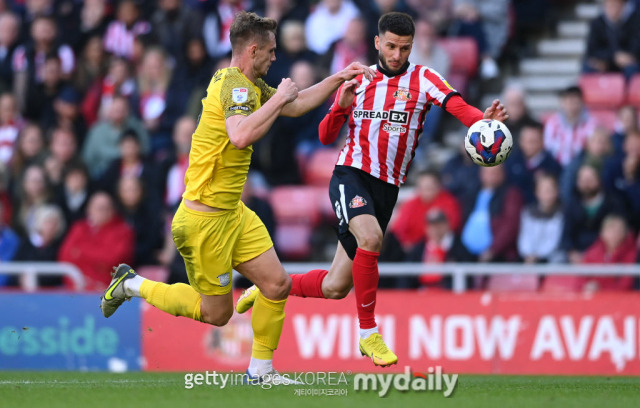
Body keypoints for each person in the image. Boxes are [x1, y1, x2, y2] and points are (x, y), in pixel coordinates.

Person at [100, 11, 374, 383]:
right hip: (204, 220)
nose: (275, 58)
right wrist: (278, 100)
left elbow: (293, 105)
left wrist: (338, 78)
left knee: (277, 285)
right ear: (254, 49)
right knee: (217, 315)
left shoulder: (247, 84)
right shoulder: (234, 85)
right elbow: (241, 136)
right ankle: (132, 285)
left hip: (232, 212)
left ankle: (260, 371)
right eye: (272, 52)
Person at [237, 12, 508, 367]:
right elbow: (324, 135)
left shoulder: (424, 78)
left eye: (405, 48)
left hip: (387, 187)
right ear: (378, 42)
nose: (397, 54)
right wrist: (341, 107)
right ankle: (368, 333)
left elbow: (458, 107)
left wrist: (483, 120)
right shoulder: (358, 78)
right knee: (372, 238)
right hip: (350, 174)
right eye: (391, 46)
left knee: (336, 286)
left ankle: (269, 288)